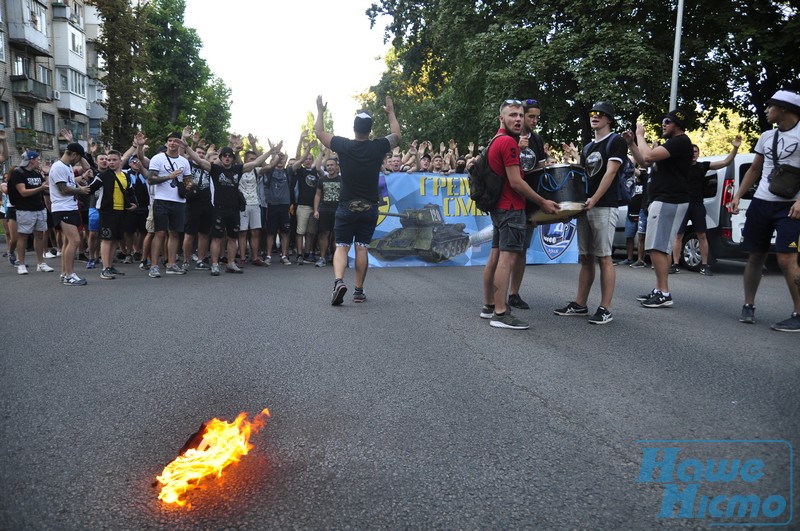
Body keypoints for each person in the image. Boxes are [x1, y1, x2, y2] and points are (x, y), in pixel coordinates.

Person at [480, 99, 559, 329]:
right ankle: (501, 313)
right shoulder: (508, 143)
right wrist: (542, 201)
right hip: (511, 208)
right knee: (507, 259)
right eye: (512, 115)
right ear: (501, 118)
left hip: (499, 208)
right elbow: (516, 182)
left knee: (495, 257)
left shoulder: (497, 140)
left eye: (520, 115)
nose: (518, 119)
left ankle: (488, 306)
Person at [315, 94, 401, 305]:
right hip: (369, 206)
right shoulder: (378, 146)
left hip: (346, 205)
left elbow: (319, 133)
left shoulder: (343, 145)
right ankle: (359, 291)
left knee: (342, 246)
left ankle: (338, 281)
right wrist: (391, 113)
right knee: (362, 247)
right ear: (369, 130)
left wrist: (320, 111)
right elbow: (397, 135)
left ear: (354, 128)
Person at [729, 89, 800, 332]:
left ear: (784, 109)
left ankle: (798, 313)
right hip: (761, 203)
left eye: (771, 106)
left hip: (791, 206)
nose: (766, 110)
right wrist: (737, 196)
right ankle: (749, 304)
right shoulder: (766, 136)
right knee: (755, 255)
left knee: (786, 258)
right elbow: (754, 170)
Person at [554, 102, 627, 324]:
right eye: (593, 113)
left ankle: (605, 308)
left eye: (600, 114)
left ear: (609, 119)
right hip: (586, 207)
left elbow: (611, 173)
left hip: (604, 205)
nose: (595, 117)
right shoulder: (587, 148)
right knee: (586, 257)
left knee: (604, 257)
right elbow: (583, 178)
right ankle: (580, 304)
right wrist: (574, 207)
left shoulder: (616, 141)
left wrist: (595, 199)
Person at [625, 110, 693, 308]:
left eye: (667, 122)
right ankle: (659, 289)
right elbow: (645, 160)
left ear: (678, 125)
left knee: (657, 247)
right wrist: (631, 144)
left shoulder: (680, 141)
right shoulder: (673, 145)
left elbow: (648, 154)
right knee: (658, 246)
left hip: (669, 199)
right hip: (663, 199)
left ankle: (663, 292)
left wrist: (639, 135)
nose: (663, 125)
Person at [182, 141, 280, 275]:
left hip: (234, 208)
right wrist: (187, 147)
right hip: (219, 208)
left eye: (230, 156)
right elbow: (198, 160)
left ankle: (231, 263)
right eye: (224, 156)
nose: (227, 158)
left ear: (233, 158)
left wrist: (271, 151)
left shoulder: (238, 169)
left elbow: (256, 162)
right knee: (217, 238)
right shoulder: (215, 169)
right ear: (221, 158)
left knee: (233, 237)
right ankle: (215, 264)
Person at [670, 137, 741, 275]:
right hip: (682, 204)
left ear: (698, 153)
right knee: (678, 234)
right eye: (691, 151)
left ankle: (704, 265)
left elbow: (726, 162)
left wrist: (736, 148)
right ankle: (675, 264)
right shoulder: (680, 167)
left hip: (697, 204)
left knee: (702, 235)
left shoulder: (702, 166)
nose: (693, 153)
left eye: (696, 151)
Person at [508, 98, 547, 310]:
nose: (533, 120)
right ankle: (495, 297)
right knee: (506, 250)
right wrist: (516, 145)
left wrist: (540, 203)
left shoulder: (537, 139)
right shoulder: (508, 136)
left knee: (522, 249)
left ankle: (514, 293)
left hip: (529, 201)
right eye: (530, 116)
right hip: (510, 200)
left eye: (536, 117)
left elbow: (541, 171)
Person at [147, 132, 191, 278]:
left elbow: (187, 180)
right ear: (166, 143)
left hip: (179, 201)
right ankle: (154, 266)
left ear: (180, 144)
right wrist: (169, 177)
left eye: (176, 141)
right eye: (170, 141)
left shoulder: (184, 161)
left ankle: (171, 264)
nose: (172, 143)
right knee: (159, 233)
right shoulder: (157, 158)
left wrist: (189, 185)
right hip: (161, 200)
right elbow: (151, 179)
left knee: (175, 233)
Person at [49, 143, 93, 285]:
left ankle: (64, 273)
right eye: (78, 158)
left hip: (70, 207)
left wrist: (79, 183)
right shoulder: (58, 167)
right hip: (62, 209)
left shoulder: (66, 167)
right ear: (74, 154)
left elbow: (69, 183)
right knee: (75, 241)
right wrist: (80, 191)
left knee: (69, 241)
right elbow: (62, 189)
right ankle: (69, 275)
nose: (78, 161)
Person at [9, 150, 56, 276]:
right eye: (37, 159)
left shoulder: (36, 173)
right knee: (23, 237)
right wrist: (41, 188)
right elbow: (23, 192)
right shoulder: (18, 173)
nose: (39, 161)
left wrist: (46, 175)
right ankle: (22, 264)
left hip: (39, 208)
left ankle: (41, 263)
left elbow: (44, 186)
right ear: (31, 160)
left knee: (39, 235)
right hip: (24, 209)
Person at [92, 150, 138, 279]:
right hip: (107, 212)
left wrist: (134, 204)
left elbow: (130, 192)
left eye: (113, 160)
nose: (110, 162)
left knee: (115, 240)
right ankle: (104, 269)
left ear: (120, 161)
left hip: (121, 211)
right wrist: (77, 186)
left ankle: (110, 266)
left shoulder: (125, 176)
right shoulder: (103, 176)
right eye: (108, 160)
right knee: (107, 240)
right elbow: (90, 189)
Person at [313, 157, 342, 267]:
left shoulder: (342, 180)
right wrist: (316, 210)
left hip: (338, 211)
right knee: (323, 234)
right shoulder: (322, 180)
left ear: (337, 167)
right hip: (324, 210)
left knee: (336, 236)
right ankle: (322, 258)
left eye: (332, 165)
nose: (330, 167)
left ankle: (336, 259)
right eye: (328, 165)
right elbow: (317, 195)